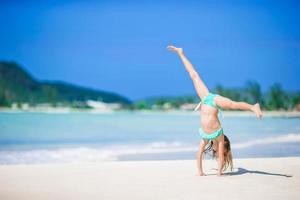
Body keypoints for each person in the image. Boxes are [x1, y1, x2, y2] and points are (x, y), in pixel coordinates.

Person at [167, 45, 263, 176]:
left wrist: (203, 172)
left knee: (232, 104)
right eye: (217, 152)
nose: (216, 151)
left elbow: (199, 153)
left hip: (208, 100)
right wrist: (217, 173)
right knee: (194, 76)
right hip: (210, 99)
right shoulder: (219, 137)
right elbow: (220, 157)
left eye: (216, 151)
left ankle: (253, 107)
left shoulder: (207, 137)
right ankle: (181, 53)